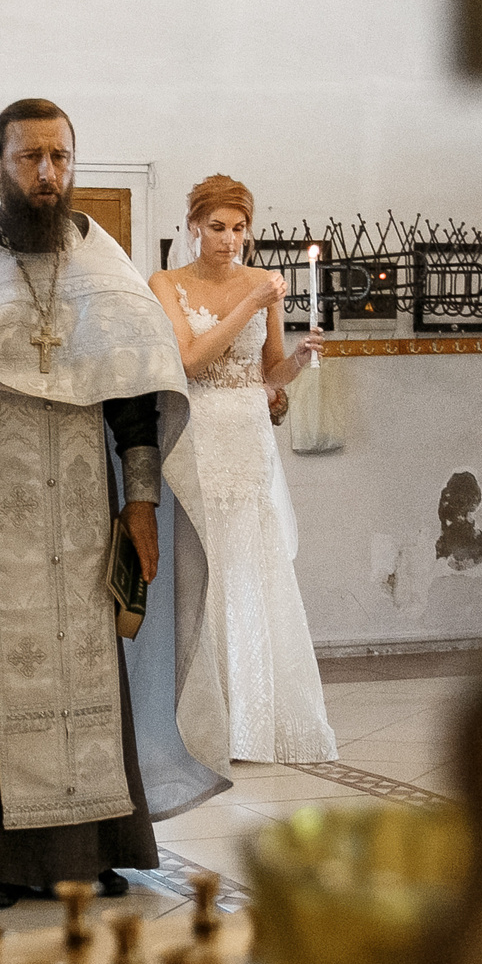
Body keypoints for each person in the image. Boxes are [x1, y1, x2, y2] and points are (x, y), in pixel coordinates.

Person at [0, 99, 225, 909]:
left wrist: (140, 502)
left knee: (87, 665)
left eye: (60, 157)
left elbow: (135, 389)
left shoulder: (100, 264)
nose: (48, 173)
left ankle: (96, 847)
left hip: (84, 498)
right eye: (30, 158)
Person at [147, 174, 335, 763]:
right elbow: (191, 361)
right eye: (218, 228)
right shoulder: (167, 283)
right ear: (194, 228)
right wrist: (251, 304)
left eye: (239, 229)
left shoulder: (264, 285)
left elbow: (267, 373)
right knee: (202, 565)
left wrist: (301, 361)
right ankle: (199, 721)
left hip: (249, 437)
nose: (230, 241)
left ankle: (254, 722)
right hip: (198, 433)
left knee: (251, 568)